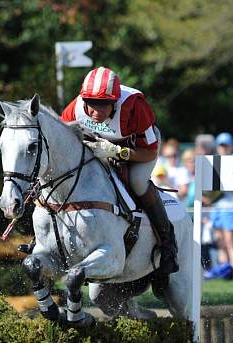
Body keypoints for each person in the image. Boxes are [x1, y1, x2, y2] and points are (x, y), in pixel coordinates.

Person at [61, 66, 178, 276]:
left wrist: (118, 152)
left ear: (114, 101)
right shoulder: (74, 109)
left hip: (136, 150)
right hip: (97, 151)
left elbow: (149, 153)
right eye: (91, 104)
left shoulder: (135, 106)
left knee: (138, 182)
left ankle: (168, 243)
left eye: (104, 105)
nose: (96, 112)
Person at [206, 132, 233, 280]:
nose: (223, 148)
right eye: (221, 145)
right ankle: (224, 274)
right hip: (217, 207)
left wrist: (223, 184)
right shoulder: (214, 162)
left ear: (231, 146)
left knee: (231, 243)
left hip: (231, 206)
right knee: (220, 242)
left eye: (226, 145)